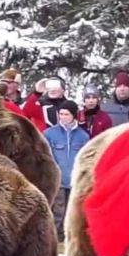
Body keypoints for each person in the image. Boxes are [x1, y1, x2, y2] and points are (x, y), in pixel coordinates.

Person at [42, 100, 89, 243]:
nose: (63, 117)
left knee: (72, 210)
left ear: (73, 115)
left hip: (74, 179)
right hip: (58, 178)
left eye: (66, 114)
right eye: (60, 114)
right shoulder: (49, 133)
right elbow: (45, 155)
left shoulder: (83, 136)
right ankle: (54, 238)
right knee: (57, 210)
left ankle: (70, 237)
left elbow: (85, 156)